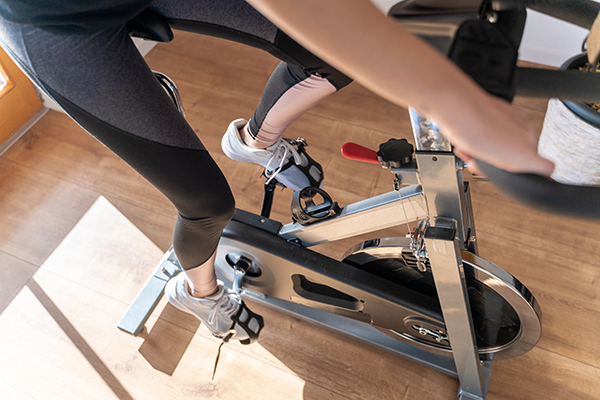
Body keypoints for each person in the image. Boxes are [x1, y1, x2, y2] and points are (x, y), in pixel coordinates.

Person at [0, 0, 553, 344]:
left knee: (330, 57)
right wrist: (456, 100)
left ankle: (255, 144)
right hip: (57, 26)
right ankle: (198, 293)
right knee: (206, 204)